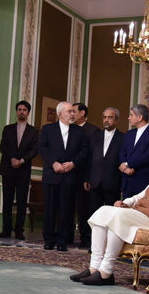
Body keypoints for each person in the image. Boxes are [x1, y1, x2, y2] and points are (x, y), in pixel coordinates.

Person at [70, 142, 149, 285]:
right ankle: (96, 269)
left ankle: (106, 271)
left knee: (116, 216)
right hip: (139, 213)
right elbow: (142, 195)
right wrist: (126, 203)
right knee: (104, 211)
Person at [39, 101, 87, 251]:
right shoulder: (48, 129)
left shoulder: (79, 131)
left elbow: (84, 151)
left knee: (66, 210)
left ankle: (62, 241)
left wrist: (73, 163)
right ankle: (49, 240)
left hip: (70, 176)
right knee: (49, 210)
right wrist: (53, 163)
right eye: (69, 111)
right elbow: (42, 148)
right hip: (51, 175)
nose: (73, 114)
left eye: (73, 111)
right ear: (60, 114)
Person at [82, 107, 125, 249]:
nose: (106, 120)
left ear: (116, 120)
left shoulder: (123, 138)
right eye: (104, 117)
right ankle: (94, 245)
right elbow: (89, 159)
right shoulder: (95, 136)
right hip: (95, 181)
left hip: (113, 182)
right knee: (94, 215)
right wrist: (87, 178)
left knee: (111, 217)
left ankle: (110, 246)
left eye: (110, 117)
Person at [0, 101, 38, 240]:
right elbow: (3, 147)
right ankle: (6, 230)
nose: (21, 112)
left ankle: (19, 231)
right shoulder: (7, 129)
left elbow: (34, 150)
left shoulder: (33, 131)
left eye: (24, 110)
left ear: (28, 112)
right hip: (8, 168)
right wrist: (12, 159)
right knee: (7, 201)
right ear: (16, 112)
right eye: (19, 109)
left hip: (23, 170)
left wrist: (21, 160)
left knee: (21, 202)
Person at [69, 102, 100, 246]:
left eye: (74, 111)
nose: (72, 114)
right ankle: (67, 236)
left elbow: (92, 156)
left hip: (84, 176)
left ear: (82, 113)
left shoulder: (93, 131)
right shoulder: (69, 129)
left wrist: (88, 177)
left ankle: (85, 238)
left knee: (84, 209)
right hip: (68, 174)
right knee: (67, 207)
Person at [118, 104, 149, 198]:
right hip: (127, 182)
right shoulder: (129, 134)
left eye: (131, 115)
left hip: (143, 182)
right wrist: (125, 168)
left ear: (139, 117)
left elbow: (148, 157)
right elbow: (122, 153)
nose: (128, 118)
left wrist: (127, 164)